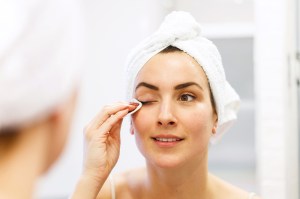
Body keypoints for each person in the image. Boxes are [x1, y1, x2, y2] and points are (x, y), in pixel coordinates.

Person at [71, 11, 261, 199]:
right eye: (146, 99)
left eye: (186, 97)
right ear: (129, 117)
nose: (165, 116)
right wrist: (89, 179)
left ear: (216, 115)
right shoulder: (102, 194)